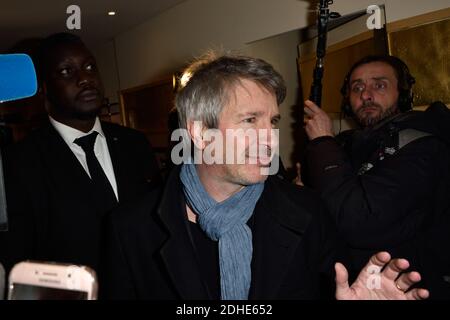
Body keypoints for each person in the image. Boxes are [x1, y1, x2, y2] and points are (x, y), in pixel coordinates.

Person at [102, 52, 429, 300]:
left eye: (271, 122)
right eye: (249, 120)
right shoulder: (130, 228)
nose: (269, 139)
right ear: (201, 133)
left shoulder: (308, 211)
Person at [0, 33, 160, 274]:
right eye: (66, 71)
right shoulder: (18, 163)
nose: (85, 78)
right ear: (43, 90)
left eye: (89, 67)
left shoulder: (134, 143)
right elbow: (19, 261)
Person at [303, 55, 450, 299]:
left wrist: (322, 141)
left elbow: (359, 220)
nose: (366, 95)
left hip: (410, 290)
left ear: (403, 94)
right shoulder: (350, 145)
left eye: (379, 85)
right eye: (357, 87)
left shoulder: (425, 146)